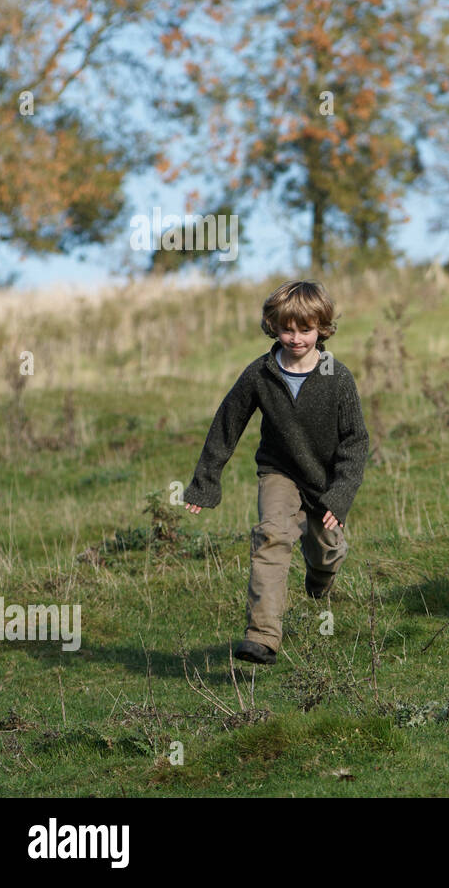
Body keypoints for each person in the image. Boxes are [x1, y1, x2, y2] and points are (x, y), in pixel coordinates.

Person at [183, 280, 368, 664]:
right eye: (287, 328)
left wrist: (340, 494)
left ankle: (320, 578)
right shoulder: (260, 374)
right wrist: (205, 483)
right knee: (271, 538)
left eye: (306, 329)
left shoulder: (338, 376)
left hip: (324, 480)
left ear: (323, 329)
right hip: (278, 472)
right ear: (273, 326)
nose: (296, 338)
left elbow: (355, 442)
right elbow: (226, 425)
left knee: (327, 551)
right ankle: (262, 636)